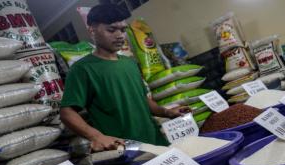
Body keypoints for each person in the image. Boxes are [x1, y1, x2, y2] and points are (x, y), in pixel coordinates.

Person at [60, 4, 190, 152]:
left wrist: (166, 112)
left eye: (123, 30)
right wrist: (96, 136)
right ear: (92, 30)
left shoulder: (130, 63)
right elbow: (67, 113)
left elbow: (143, 99)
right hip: (126, 151)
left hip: (157, 143)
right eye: (111, 30)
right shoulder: (82, 69)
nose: (120, 35)